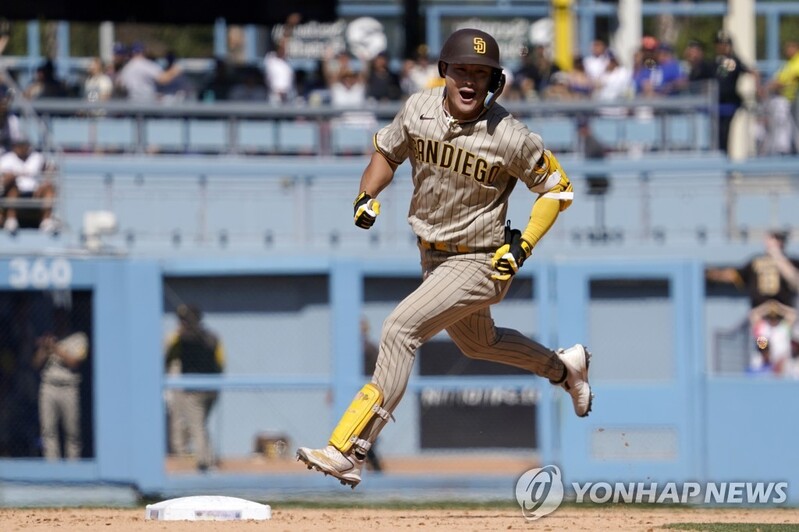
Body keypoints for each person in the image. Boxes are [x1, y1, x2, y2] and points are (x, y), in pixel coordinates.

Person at [296, 28, 593, 489]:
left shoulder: (509, 135)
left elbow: (558, 190)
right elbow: (386, 153)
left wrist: (523, 246)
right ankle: (564, 368)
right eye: (461, 70)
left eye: (481, 73)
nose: (469, 80)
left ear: (495, 81)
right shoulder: (418, 109)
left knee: (399, 330)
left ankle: (350, 450)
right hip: (433, 257)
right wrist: (366, 195)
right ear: (444, 72)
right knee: (479, 344)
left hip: (482, 260)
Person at [706, 230, 799, 374]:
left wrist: (778, 257)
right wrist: (714, 274)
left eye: (778, 239)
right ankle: (765, 364)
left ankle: (780, 373)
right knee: (762, 344)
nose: (774, 242)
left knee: (782, 351)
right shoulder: (755, 262)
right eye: (772, 238)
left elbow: (795, 281)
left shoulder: (791, 262)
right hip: (761, 318)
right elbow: (735, 275)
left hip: (784, 320)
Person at [165, 304, 225, 472]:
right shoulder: (212, 337)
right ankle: (209, 457)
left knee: (196, 425)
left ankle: (205, 461)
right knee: (201, 424)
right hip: (212, 388)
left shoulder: (180, 338)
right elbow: (221, 363)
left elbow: (168, 357)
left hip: (193, 390)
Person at [32, 305, 88, 460]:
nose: (59, 320)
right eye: (56, 317)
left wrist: (55, 348)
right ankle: (52, 467)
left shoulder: (78, 337)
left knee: (72, 432)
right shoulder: (48, 337)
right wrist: (44, 349)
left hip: (69, 387)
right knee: (48, 432)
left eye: (62, 317)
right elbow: (35, 364)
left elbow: (74, 362)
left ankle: (73, 466)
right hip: (49, 386)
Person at [713, 31, 758, 154]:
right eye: (719, 44)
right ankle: (720, 154)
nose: (722, 47)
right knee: (717, 132)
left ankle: (723, 155)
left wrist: (758, 88)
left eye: (725, 44)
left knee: (724, 131)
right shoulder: (716, 61)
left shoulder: (731, 61)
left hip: (728, 102)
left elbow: (750, 72)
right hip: (716, 102)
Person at [0, 138, 56, 233]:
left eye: (24, 145)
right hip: (15, 191)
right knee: (12, 190)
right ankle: (11, 220)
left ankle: (46, 221)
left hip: (35, 192)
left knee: (49, 188)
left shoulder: (37, 157)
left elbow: (50, 168)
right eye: (19, 145)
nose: (22, 148)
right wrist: (13, 176)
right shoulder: (6, 159)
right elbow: (3, 180)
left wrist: (47, 178)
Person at [116, 42, 183, 102]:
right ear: (143, 51)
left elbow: (120, 86)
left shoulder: (126, 68)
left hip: (130, 103)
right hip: (146, 104)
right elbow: (163, 79)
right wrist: (175, 70)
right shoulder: (144, 64)